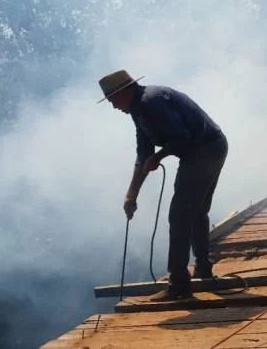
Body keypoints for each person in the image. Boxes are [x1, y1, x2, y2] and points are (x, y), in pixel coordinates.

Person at [98, 70, 228, 300]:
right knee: (196, 212)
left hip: (205, 149)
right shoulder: (138, 110)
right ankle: (203, 269)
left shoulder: (151, 102)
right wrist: (131, 195)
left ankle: (178, 285)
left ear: (126, 90)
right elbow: (143, 154)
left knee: (180, 215)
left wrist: (159, 157)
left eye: (114, 100)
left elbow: (181, 138)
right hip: (208, 148)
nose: (114, 107)